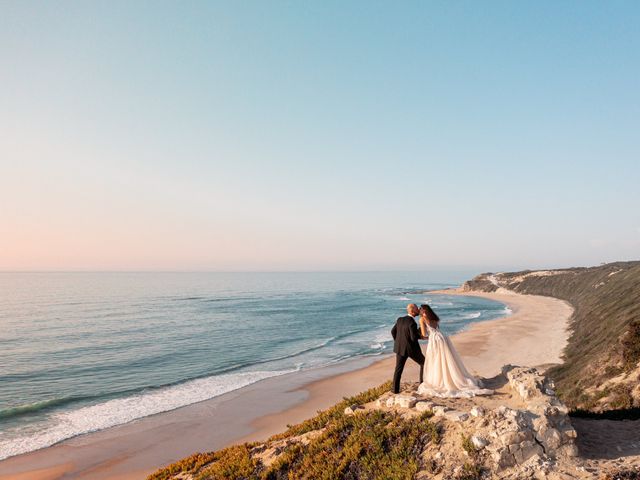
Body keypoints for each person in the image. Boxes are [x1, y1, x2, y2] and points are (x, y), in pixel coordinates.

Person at [417, 304, 492, 398]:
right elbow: (436, 329)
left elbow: (424, 334)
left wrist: (421, 336)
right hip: (442, 337)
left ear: (423, 311)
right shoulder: (434, 317)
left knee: (436, 359)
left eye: (420, 310)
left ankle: (440, 379)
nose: (419, 311)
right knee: (446, 357)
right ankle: (451, 377)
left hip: (434, 339)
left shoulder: (422, 319)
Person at [391, 303, 426, 394]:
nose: (418, 310)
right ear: (412, 311)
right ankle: (422, 384)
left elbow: (393, 331)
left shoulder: (400, 319)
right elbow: (413, 338)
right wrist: (420, 334)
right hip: (411, 349)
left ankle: (395, 390)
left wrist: (398, 341)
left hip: (399, 348)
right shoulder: (412, 322)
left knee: (398, 369)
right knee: (424, 363)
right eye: (417, 309)